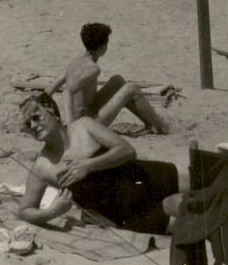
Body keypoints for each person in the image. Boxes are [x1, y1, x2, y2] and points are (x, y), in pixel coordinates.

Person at [16, 93, 184, 233]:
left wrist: (89, 165)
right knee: (197, 221)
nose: (33, 125)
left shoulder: (83, 126)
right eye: (27, 124)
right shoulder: (41, 166)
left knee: (207, 177)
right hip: (129, 214)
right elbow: (24, 211)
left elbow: (127, 150)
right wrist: (52, 212)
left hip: (143, 175)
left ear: (52, 110)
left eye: (36, 117)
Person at [42, 22, 171, 135]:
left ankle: (149, 122)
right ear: (103, 47)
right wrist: (70, 126)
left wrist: (38, 105)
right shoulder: (93, 69)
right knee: (131, 88)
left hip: (87, 110)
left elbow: (50, 88)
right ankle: (162, 127)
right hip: (85, 123)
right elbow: (67, 91)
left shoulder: (75, 62)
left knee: (117, 81)